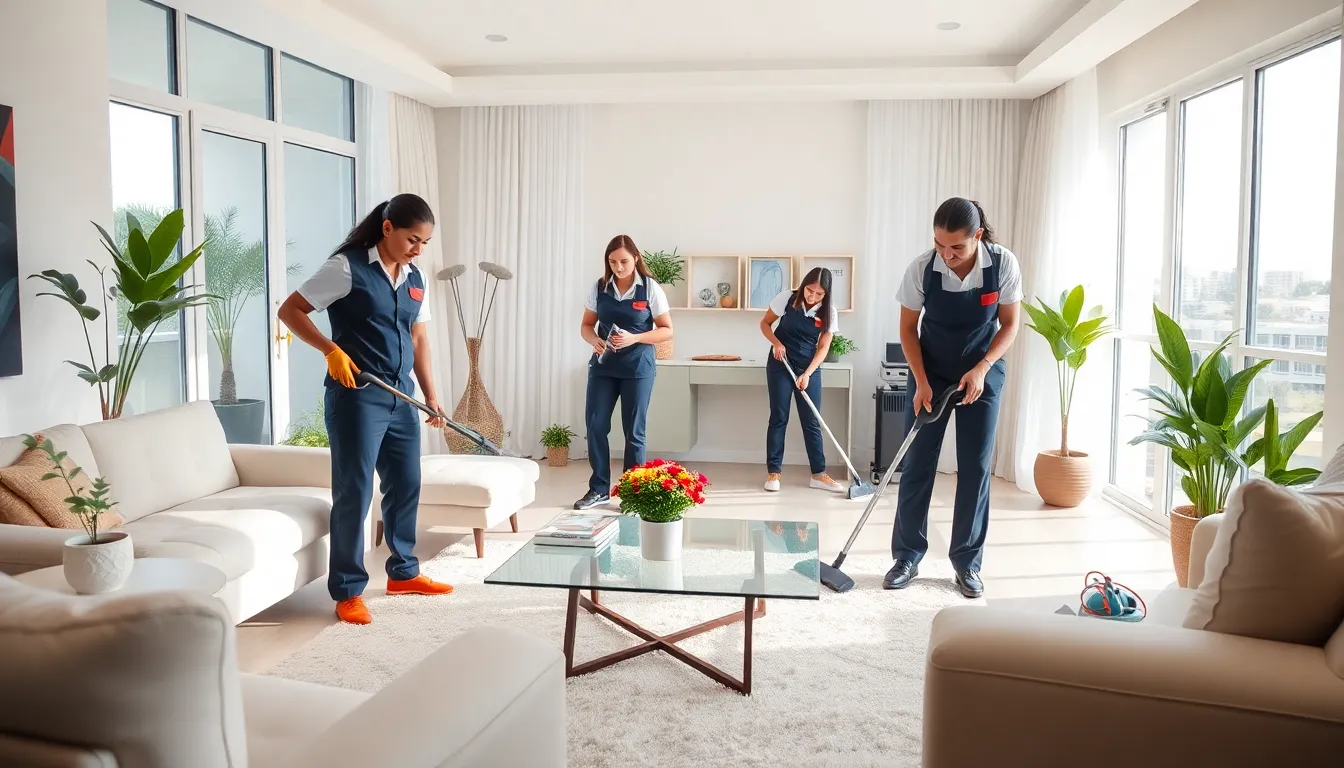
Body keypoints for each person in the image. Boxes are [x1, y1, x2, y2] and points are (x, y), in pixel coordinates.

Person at [277, 193, 454, 625]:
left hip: (401, 396)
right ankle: (348, 590)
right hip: (356, 396)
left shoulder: (415, 277)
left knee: (406, 482)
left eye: (425, 243)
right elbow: (290, 310)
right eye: (414, 239)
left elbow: (418, 339)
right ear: (388, 228)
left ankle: (404, 572)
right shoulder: (346, 267)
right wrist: (329, 349)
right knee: (354, 492)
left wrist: (430, 395)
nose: (419, 249)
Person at [884, 197, 1021, 599]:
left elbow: (1010, 325)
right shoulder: (922, 268)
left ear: (977, 236)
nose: (947, 254)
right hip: (931, 372)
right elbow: (908, 330)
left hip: (983, 371)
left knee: (976, 469)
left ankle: (967, 564)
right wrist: (921, 381)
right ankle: (906, 556)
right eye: (940, 245)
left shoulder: (1002, 264)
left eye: (956, 247)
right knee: (917, 465)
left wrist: (982, 369)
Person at [574, 235, 674, 510]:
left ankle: (633, 491)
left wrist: (635, 338)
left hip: (638, 368)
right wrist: (593, 340)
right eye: (613, 262)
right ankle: (599, 489)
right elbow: (586, 325)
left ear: (636, 259)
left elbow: (667, 329)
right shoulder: (599, 288)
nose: (619, 267)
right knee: (595, 425)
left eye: (624, 261)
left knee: (634, 431)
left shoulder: (650, 288)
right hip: (604, 367)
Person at [758, 267, 846, 493]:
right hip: (781, 364)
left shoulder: (829, 312)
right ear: (804, 285)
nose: (813, 297)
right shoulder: (787, 298)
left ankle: (819, 474)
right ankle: (774, 473)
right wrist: (776, 343)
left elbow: (824, 346)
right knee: (779, 417)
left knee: (812, 420)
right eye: (810, 291)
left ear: (826, 294)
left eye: (819, 294)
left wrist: (807, 373)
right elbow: (765, 323)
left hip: (809, 367)